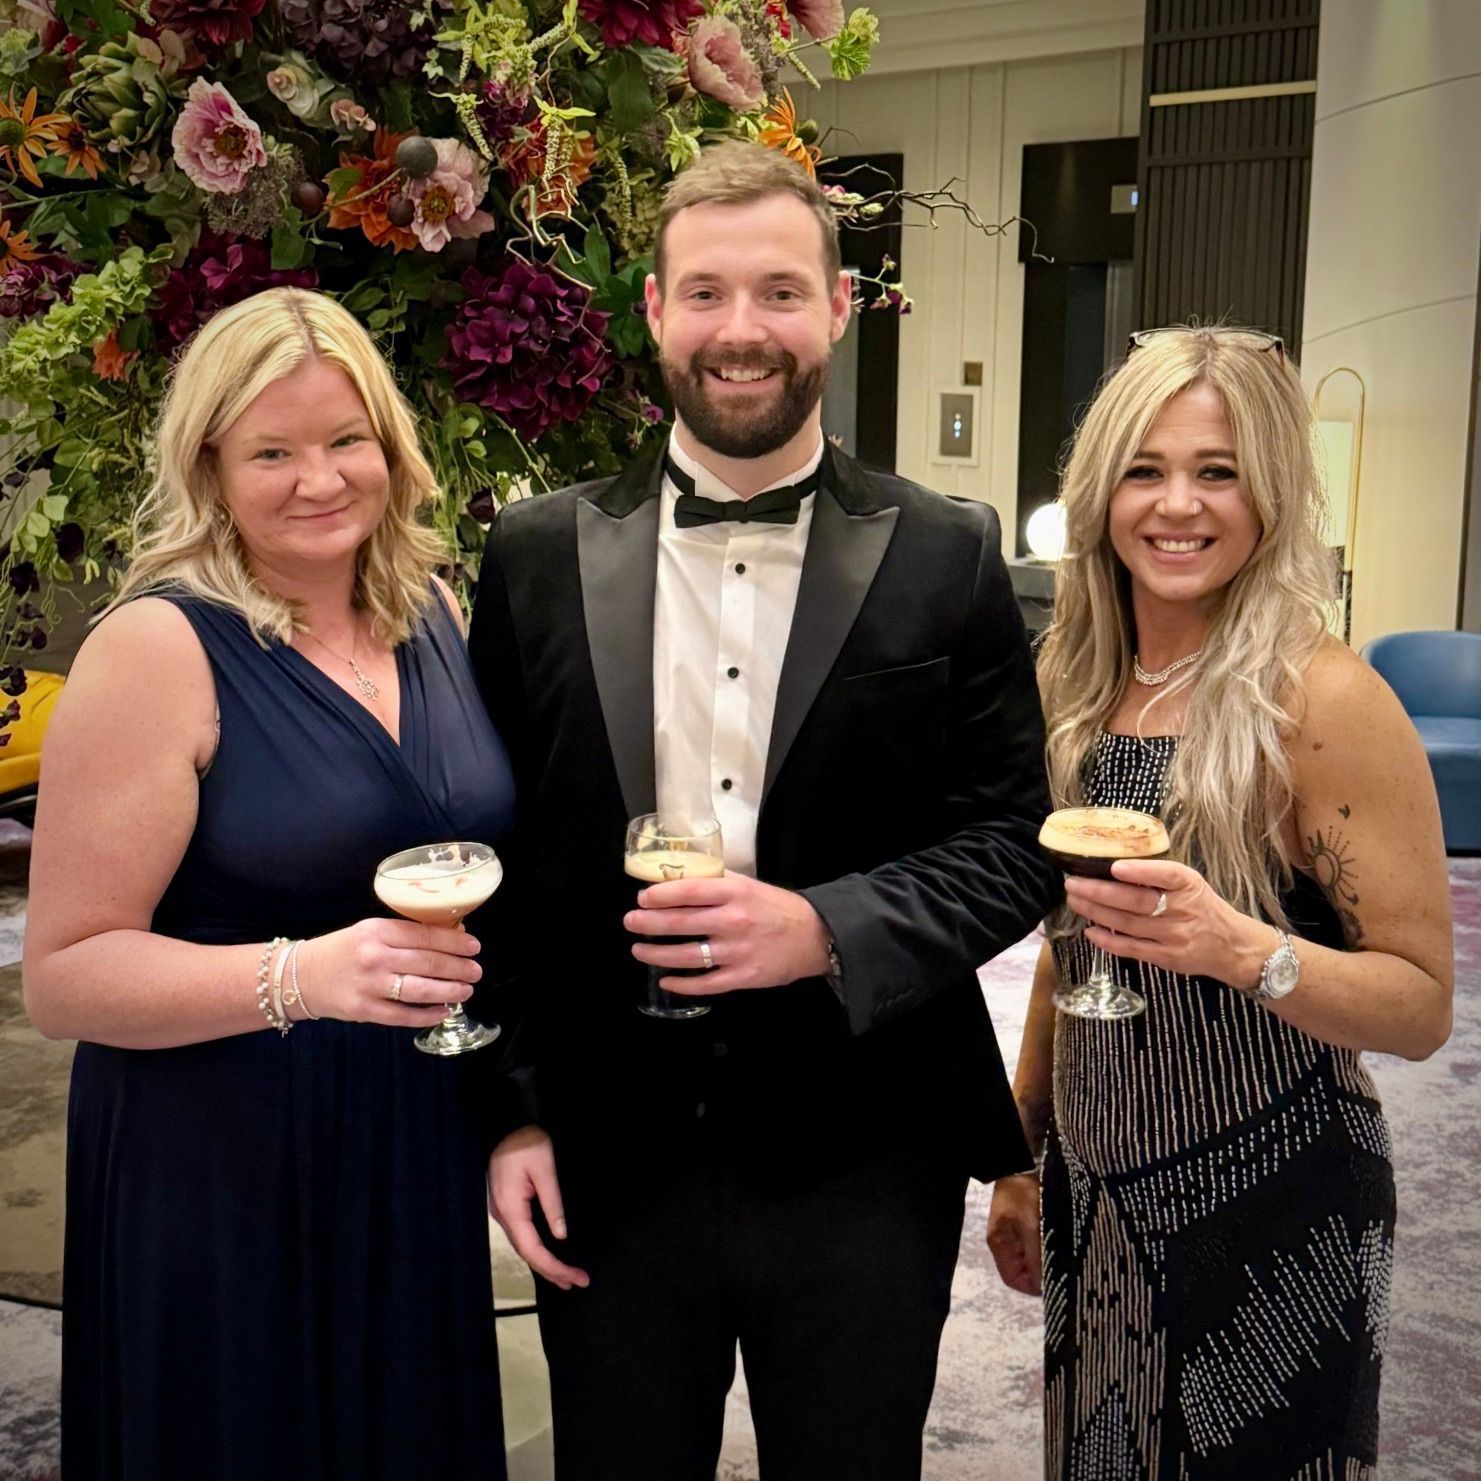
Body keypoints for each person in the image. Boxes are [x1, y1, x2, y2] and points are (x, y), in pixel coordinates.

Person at [468, 139, 1059, 1481]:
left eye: (781, 292)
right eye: (708, 293)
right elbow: (496, 854)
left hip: (864, 1143)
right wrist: (508, 1110)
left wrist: (825, 927)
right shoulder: (533, 550)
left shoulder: (949, 550)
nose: (744, 331)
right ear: (656, 310)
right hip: (608, 1147)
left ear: (840, 309)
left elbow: (1013, 840)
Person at [22, 288, 514, 1480]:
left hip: (406, 1129)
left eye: (347, 440)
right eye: (272, 451)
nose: (319, 478)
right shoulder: (155, 647)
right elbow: (64, 974)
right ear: (209, 464)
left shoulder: (433, 609)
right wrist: (306, 972)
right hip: (223, 1159)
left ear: (392, 448)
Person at [985, 325, 1454, 1478]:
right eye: (1143, 469)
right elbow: (1067, 938)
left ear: (1269, 495)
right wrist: (1018, 1148)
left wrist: (1245, 949)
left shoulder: (1321, 696)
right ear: (1099, 494)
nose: (1175, 505)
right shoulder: (1073, 684)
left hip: (1278, 1194)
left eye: (1217, 470)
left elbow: (1420, 1003)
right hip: (1100, 1185)